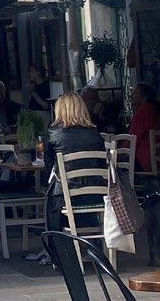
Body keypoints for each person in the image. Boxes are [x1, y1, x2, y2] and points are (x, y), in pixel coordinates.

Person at [43, 91, 106, 239]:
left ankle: (57, 246)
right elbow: (102, 166)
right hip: (95, 195)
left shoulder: (53, 133)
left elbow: (49, 168)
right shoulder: (94, 133)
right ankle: (92, 245)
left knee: (52, 200)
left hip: (66, 197)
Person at [129, 82, 160, 172]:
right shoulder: (156, 110)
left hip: (147, 161)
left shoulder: (143, 113)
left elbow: (132, 140)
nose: (131, 98)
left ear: (144, 97)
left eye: (134, 95)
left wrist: (118, 152)